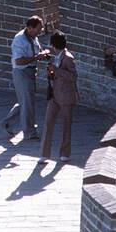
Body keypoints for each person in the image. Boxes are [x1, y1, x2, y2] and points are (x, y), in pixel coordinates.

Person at [2, 16, 46, 139]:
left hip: (30, 72)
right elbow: (19, 61)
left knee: (25, 102)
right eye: (38, 28)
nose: (41, 30)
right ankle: (30, 132)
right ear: (29, 28)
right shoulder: (19, 40)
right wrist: (38, 57)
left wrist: (44, 53)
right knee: (27, 103)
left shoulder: (32, 36)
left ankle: (7, 123)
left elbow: (36, 50)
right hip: (21, 73)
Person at [40, 31, 79, 162]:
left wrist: (56, 70)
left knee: (66, 125)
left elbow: (73, 77)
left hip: (66, 96)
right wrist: (50, 72)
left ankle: (65, 153)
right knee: (48, 123)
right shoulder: (56, 55)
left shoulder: (68, 58)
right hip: (54, 94)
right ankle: (44, 154)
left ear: (54, 44)